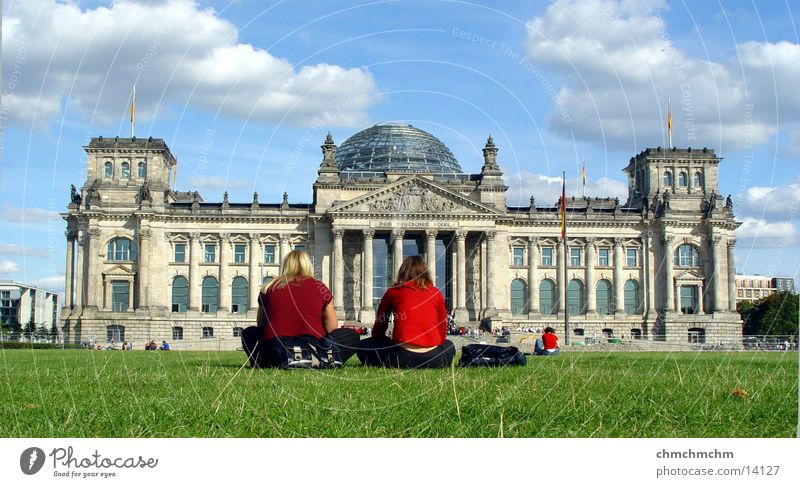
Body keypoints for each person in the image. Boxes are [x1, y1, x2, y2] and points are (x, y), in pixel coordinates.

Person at [240, 250, 360, 367]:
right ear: (308, 265)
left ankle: (266, 362)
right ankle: (323, 358)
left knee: (249, 333)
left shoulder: (268, 287)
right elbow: (332, 328)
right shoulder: (320, 287)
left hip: (276, 349)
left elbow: (261, 324)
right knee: (351, 335)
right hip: (314, 347)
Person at [357, 255, 455, 368]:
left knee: (363, 345)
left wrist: (388, 341)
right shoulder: (436, 293)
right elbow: (442, 333)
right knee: (449, 345)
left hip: (401, 359)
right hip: (434, 359)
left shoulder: (393, 292)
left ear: (402, 272)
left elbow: (378, 330)